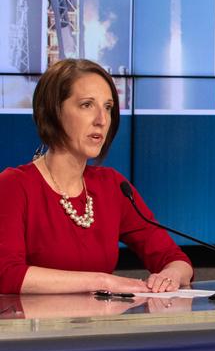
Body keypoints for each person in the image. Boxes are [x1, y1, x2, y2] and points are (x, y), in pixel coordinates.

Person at [0, 59, 193, 295]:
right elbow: (7, 274)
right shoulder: (15, 186)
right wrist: (105, 282)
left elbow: (175, 259)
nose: (102, 120)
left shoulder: (111, 186)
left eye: (108, 107)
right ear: (53, 111)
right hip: (35, 330)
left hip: (99, 329)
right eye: (86, 105)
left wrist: (171, 274)